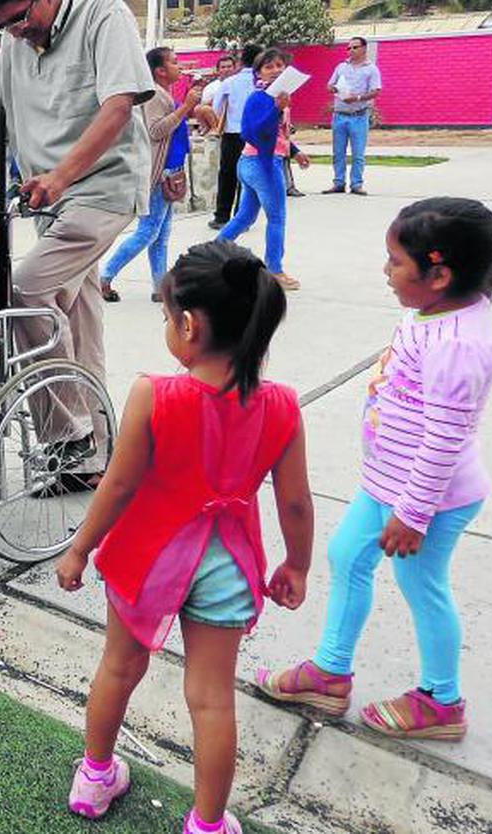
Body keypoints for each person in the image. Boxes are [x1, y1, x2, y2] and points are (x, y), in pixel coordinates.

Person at [56, 241, 314, 833]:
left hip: (149, 557)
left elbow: (117, 487)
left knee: (119, 667)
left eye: (167, 317)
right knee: (212, 698)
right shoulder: (281, 405)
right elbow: (294, 502)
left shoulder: (155, 394)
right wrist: (295, 564)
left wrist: (79, 549)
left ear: (189, 325)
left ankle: (96, 776)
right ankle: (208, 822)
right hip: (228, 561)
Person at [257, 198, 492, 743]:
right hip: (390, 483)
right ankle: (330, 670)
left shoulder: (460, 345)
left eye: (395, 263)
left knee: (423, 584)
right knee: (348, 557)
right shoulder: (435, 311)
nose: (385, 272)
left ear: (439, 274)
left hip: (428, 499)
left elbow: (444, 439)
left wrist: (413, 514)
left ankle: (442, 700)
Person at [0, 0, 154, 483]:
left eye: (19, 18)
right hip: (46, 197)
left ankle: (67, 435)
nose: (14, 31)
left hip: (100, 188)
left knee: (27, 290)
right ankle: (102, 449)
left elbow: (119, 106)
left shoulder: (102, 14)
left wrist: (59, 176)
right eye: (3, 26)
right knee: (79, 323)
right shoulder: (14, 44)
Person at [100, 47, 200, 303]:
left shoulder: (164, 93)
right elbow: (155, 130)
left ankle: (160, 287)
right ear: (160, 71)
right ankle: (106, 275)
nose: (180, 66)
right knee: (148, 232)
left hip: (170, 172)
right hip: (158, 174)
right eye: (175, 62)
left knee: (160, 235)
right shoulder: (154, 95)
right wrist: (185, 107)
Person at [217, 48, 310, 291]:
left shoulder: (279, 99)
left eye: (280, 65)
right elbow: (253, 132)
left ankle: (214, 253)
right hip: (261, 165)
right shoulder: (261, 98)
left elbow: (278, 135)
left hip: (254, 163)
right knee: (277, 218)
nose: (276, 70)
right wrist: (276, 109)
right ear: (258, 73)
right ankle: (275, 270)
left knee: (245, 216)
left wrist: (295, 151)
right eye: (269, 67)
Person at [208, 44, 261, 231]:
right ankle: (242, 217)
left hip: (232, 135)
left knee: (227, 175)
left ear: (240, 62)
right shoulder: (261, 83)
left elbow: (215, 109)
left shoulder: (229, 83)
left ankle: (221, 216)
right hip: (255, 135)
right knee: (247, 178)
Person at [324, 36, 382, 195]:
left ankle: (356, 184)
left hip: (358, 115)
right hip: (340, 114)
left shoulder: (371, 69)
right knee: (338, 152)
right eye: (349, 48)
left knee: (358, 153)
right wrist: (334, 89)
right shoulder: (341, 67)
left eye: (355, 47)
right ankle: (338, 182)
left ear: (364, 49)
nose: (351, 51)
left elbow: (376, 91)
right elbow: (329, 85)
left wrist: (356, 98)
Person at [194, 54, 236, 135]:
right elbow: (204, 105)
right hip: (217, 118)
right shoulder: (211, 87)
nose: (226, 69)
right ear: (218, 70)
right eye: (223, 67)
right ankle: (210, 128)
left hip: (234, 120)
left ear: (234, 68)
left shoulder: (240, 84)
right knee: (198, 108)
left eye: (229, 66)